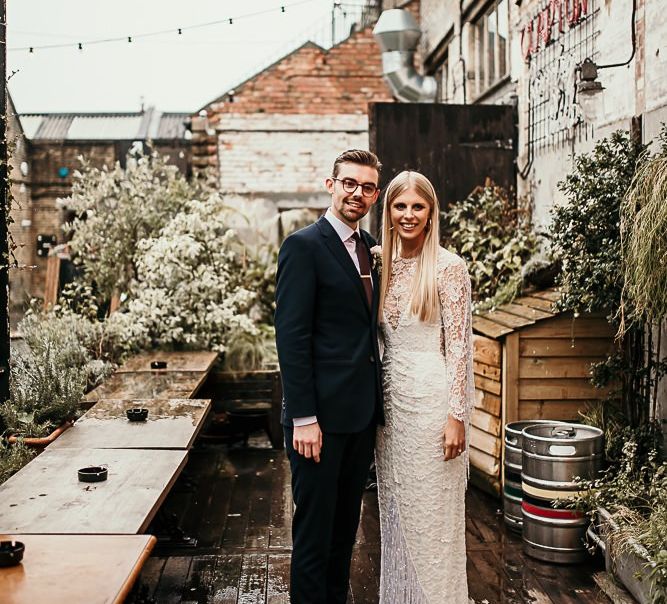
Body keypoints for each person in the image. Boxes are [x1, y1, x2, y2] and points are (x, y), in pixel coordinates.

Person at [274, 149, 384, 604]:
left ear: (375, 193)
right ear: (331, 185)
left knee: (345, 536)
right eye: (349, 183)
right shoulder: (303, 246)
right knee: (315, 540)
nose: (358, 193)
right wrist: (303, 417)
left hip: (360, 417)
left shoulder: (371, 247)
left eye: (368, 187)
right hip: (316, 422)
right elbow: (291, 336)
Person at [375, 170, 474, 603]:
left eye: (418, 206)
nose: (409, 215)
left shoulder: (450, 268)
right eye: (400, 206)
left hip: (433, 405)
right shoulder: (379, 262)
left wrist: (457, 417)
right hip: (389, 411)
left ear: (432, 213)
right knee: (398, 514)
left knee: (434, 522)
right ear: (389, 211)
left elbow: (460, 349)